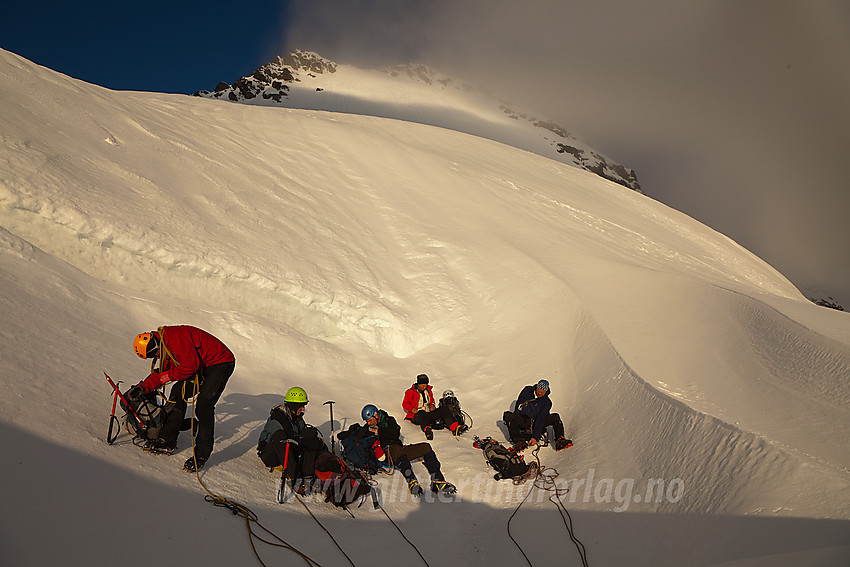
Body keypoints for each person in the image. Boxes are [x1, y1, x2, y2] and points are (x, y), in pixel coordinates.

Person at [130, 325, 235, 472]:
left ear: (154, 347)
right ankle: (168, 440)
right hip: (204, 363)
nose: (157, 358)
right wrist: (143, 387)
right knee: (178, 391)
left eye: (154, 355)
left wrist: (165, 377)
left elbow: (190, 366)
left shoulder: (174, 339)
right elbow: (162, 372)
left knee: (204, 406)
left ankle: (201, 455)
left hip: (221, 363)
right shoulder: (164, 344)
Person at [360, 404, 456, 495]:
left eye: (370, 420)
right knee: (397, 449)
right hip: (386, 454)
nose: (369, 423)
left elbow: (394, 433)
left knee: (425, 447)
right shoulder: (368, 428)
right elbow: (361, 437)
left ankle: (437, 480)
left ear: (376, 415)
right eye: (367, 421)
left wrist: (379, 431)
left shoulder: (389, 420)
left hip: (399, 451)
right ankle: (412, 482)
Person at [257, 387, 325, 490]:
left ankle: (308, 476)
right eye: (301, 406)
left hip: (288, 452)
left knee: (310, 432)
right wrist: (315, 443)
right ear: (294, 405)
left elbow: (302, 437)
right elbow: (293, 440)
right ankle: (295, 480)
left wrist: (316, 442)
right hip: (271, 454)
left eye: (304, 406)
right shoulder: (279, 417)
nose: (303, 408)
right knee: (282, 436)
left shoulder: (297, 417)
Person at [503, 379, 571, 451]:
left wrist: (535, 437)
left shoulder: (547, 402)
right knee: (508, 416)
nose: (539, 393)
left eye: (542, 392)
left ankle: (560, 440)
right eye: (538, 391)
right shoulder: (527, 390)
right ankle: (519, 441)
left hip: (536, 422)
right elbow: (519, 403)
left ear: (546, 392)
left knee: (555, 417)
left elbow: (540, 418)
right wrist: (516, 417)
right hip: (524, 420)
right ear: (536, 388)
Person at [402, 373, 468, 439]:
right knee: (422, 413)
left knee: (443, 409)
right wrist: (412, 409)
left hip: (428, 413)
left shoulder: (428, 391)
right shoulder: (410, 392)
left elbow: (432, 400)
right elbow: (405, 404)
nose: (424, 387)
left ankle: (455, 428)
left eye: (425, 385)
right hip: (417, 415)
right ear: (418, 384)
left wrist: (432, 405)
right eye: (422, 385)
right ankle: (427, 430)